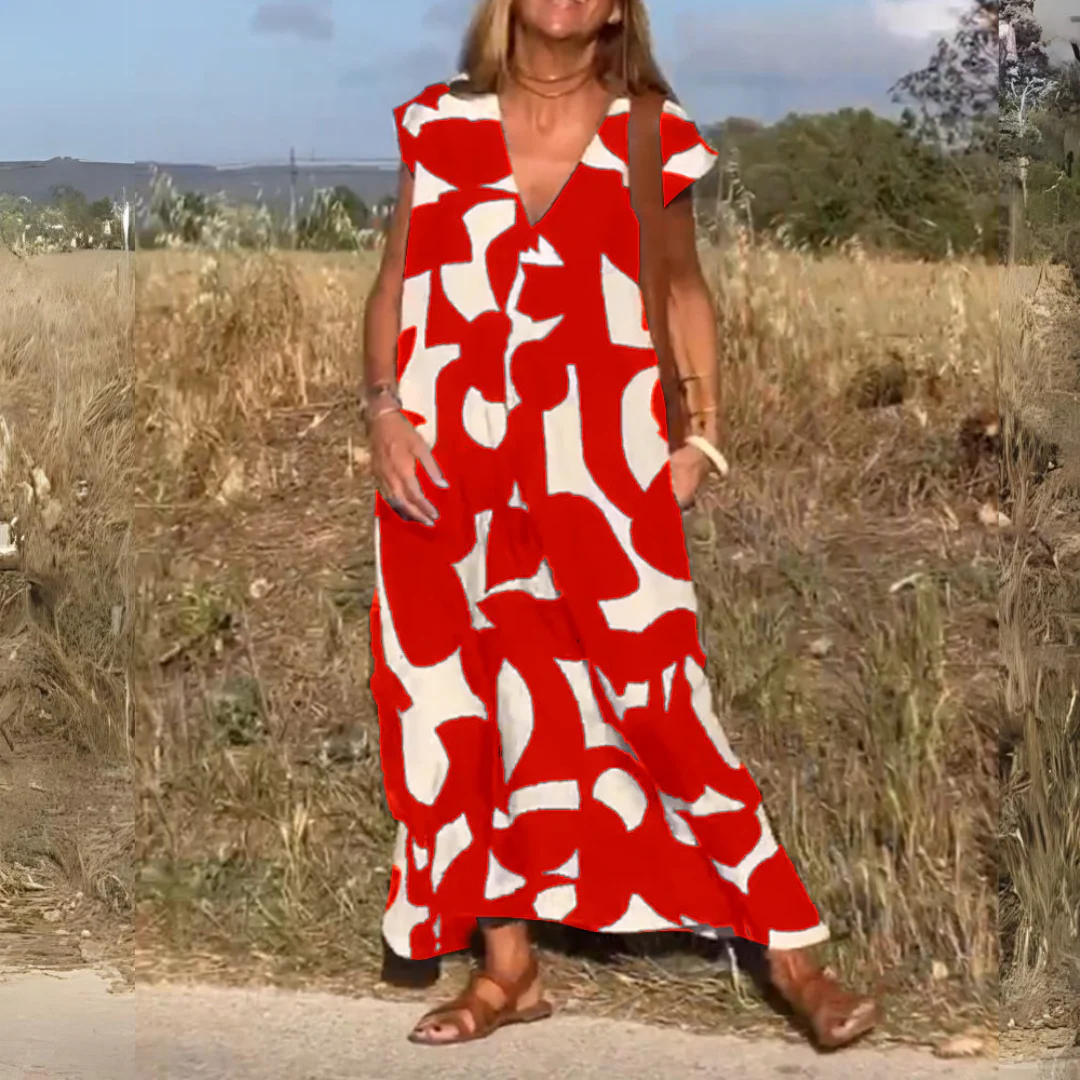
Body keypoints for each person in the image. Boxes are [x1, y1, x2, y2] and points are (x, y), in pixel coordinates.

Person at [363, 0, 880, 1049]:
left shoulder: (649, 132)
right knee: (462, 711)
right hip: (446, 469)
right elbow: (396, 279)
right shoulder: (438, 124)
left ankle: (793, 956)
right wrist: (381, 411)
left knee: (662, 696)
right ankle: (506, 970)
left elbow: (683, 290)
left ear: (615, 10)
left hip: (601, 469)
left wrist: (706, 436)